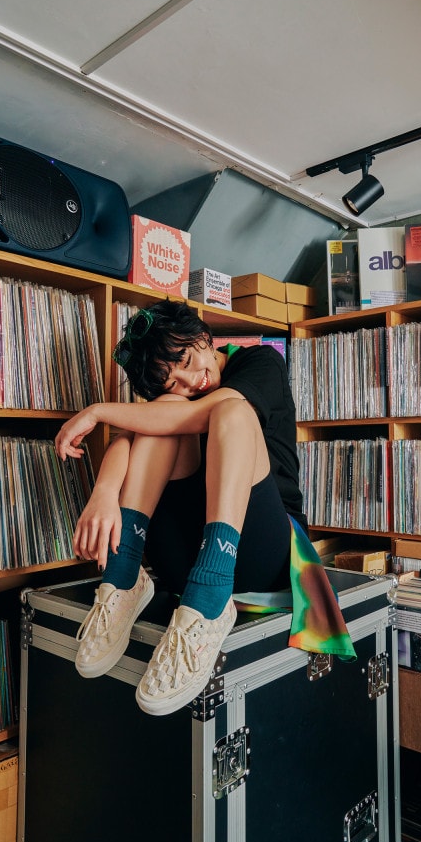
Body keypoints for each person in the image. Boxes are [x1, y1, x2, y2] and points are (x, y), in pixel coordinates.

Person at [54, 299, 307, 716]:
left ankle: (210, 600)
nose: (191, 380)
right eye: (173, 379)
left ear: (204, 337)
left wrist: (97, 412)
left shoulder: (262, 361)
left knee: (227, 410)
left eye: (188, 360)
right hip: (185, 560)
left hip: (262, 553)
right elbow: (134, 434)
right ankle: (124, 575)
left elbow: (192, 417)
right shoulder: (179, 397)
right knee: (166, 411)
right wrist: (103, 495)